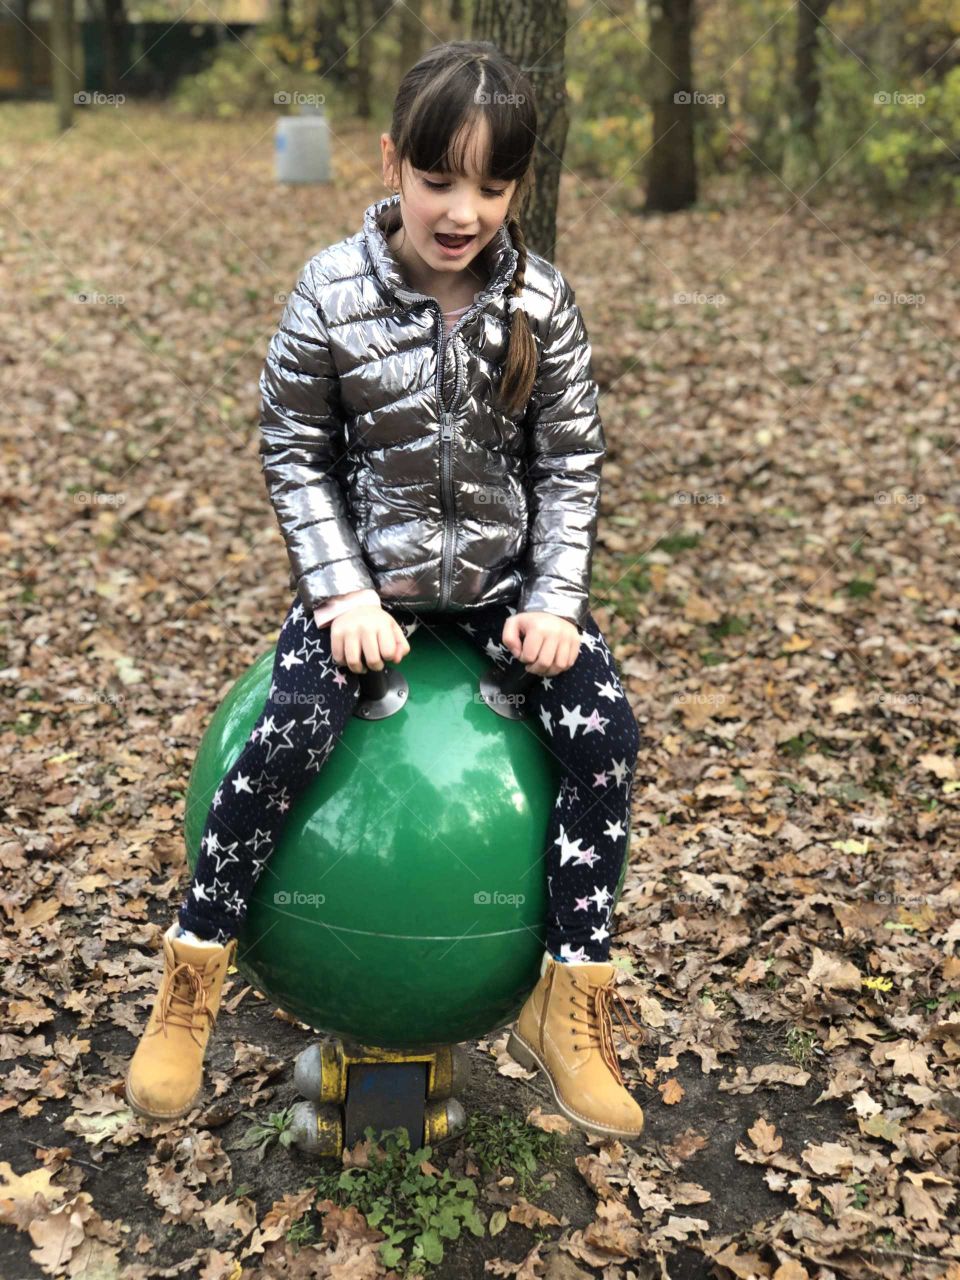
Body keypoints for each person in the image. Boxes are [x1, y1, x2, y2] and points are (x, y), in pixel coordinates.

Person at [125, 39, 644, 1140]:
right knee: (292, 725)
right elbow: (293, 446)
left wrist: (552, 597)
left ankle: (570, 993)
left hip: (502, 587)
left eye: (493, 187)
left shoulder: (541, 302)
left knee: (606, 737)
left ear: (518, 186)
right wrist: (343, 591)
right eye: (439, 179)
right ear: (392, 160)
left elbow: (572, 460)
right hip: (369, 584)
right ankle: (197, 969)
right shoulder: (331, 289)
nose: (463, 211)